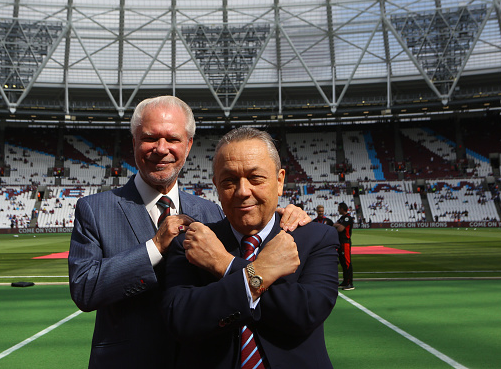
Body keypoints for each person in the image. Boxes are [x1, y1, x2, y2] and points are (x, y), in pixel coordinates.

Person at [68, 96, 311, 368]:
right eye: (150, 138)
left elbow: (246, 252)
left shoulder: (211, 211)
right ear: (134, 142)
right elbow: (84, 289)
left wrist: (282, 214)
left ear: (188, 144)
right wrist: (155, 248)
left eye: (172, 139)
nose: (162, 149)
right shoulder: (95, 209)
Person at [162, 127, 339, 368]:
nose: (243, 192)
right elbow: (180, 320)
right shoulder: (191, 243)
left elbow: (305, 313)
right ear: (216, 185)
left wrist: (226, 265)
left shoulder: (316, 238)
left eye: (256, 178)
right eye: (229, 181)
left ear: (279, 181)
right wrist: (256, 276)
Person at [334, 202, 354, 290]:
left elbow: (340, 228)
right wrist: (338, 225)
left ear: (342, 208)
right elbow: (335, 225)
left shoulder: (348, 218)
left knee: (347, 262)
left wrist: (338, 225)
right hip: (341, 242)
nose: (338, 210)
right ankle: (345, 281)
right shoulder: (342, 218)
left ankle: (350, 283)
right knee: (342, 262)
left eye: (339, 208)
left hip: (345, 242)